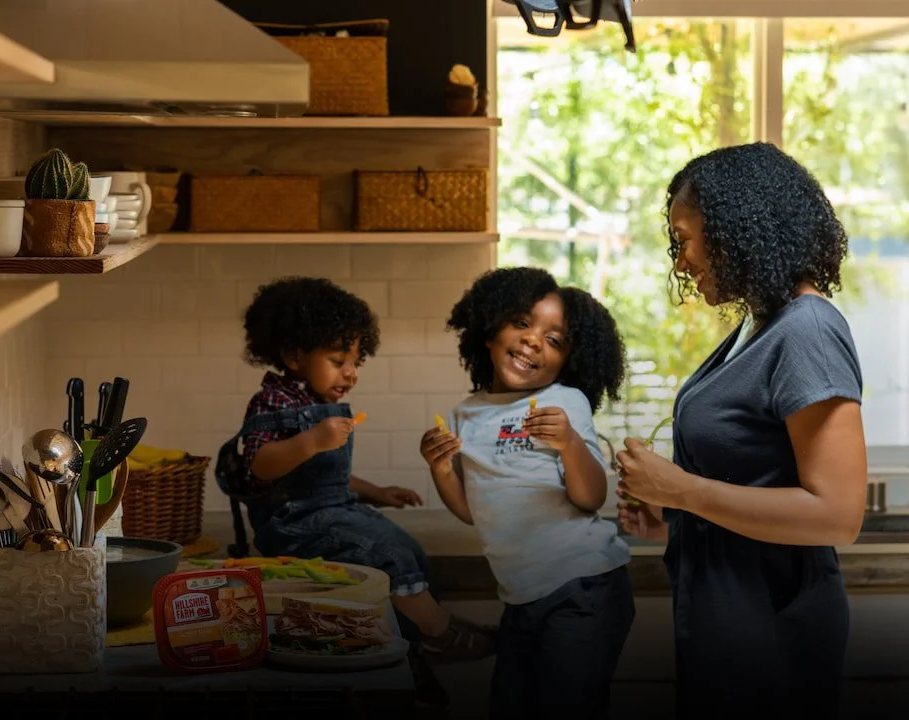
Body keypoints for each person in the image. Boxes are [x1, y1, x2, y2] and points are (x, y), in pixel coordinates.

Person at [615, 142, 868, 719]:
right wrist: (671, 517)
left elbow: (838, 515)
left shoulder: (807, 330)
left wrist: (680, 491)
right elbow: (754, 479)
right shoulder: (761, 323)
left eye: (686, 239)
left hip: (773, 635)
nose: (681, 260)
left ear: (738, 230)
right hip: (728, 623)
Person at [214, 276, 497, 705]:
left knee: (409, 549)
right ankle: (440, 634)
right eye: (338, 360)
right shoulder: (273, 402)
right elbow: (261, 465)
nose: (351, 372)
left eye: (355, 360)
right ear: (294, 355)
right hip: (293, 524)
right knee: (386, 555)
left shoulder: (316, 400)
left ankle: (412, 643)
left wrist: (377, 492)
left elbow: (327, 476)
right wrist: (311, 440)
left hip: (332, 510)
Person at [421, 266, 634, 716]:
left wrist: (570, 444)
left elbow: (592, 497)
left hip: (583, 588)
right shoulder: (466, 414)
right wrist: (441, 469)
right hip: (520, 599)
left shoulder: (565, 403)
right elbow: (471, 511)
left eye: (554, 340)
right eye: (521, 323)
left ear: (568, 360)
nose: (534, 340)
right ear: (488, 330)